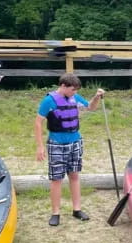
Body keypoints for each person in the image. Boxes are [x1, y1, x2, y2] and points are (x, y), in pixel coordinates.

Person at [34, 73, 105, 226]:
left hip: (75, 142)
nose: (75, 92)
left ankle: (77, 209)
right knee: (56, 179)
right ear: (63, 86)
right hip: (56, 143)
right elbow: (38, 122)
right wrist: (40, 147)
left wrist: (97, 97)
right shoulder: (49, 101)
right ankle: (55, 213)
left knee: (74, 175)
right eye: (73, 90)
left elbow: (91, 107)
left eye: (76, 90)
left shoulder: (75, 98)